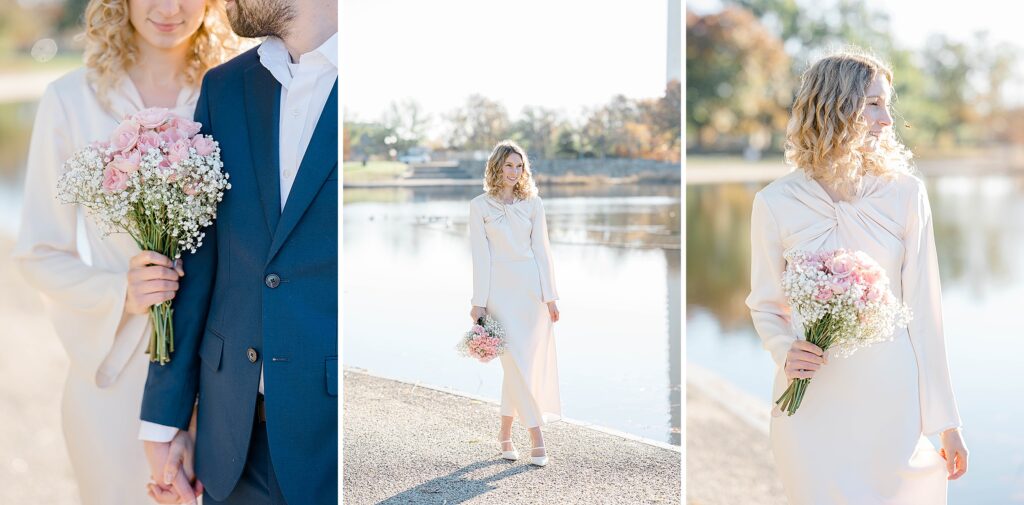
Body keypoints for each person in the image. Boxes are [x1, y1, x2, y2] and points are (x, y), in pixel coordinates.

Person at [13, 0, 237, 503]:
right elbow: (37, 252)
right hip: (115, 374)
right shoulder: (71, 99)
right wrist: (122, 292)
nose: (170, 8)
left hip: (222, 380)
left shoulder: (236, 93)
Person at [746, 48, 969, 504]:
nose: (887, 119)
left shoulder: (907, 194)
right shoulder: (774, 202)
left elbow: (926, 315)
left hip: (891, 399)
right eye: (873, 103)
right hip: (810, 399)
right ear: (833, 106)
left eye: (887, 104)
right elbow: (766, 305)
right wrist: (784, 349)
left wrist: (947, 423)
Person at [138, 0, 338, 503]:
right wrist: (167, 421)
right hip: (232, 447)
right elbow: (202, 265)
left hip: (339, 444)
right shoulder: (225, 86)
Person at [469, 140, 561, 467]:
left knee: (521, 365)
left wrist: (550, 296)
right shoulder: (479, 206)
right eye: (508, 165)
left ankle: (505, 435)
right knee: (514, 363)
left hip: (531, 293)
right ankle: (538, 437)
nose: (514, 171)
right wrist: (478, 304)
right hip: (499, 292)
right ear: (496, 167)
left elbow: (542, 251)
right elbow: (481, 258)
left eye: (519, 166)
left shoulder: (534, 204)